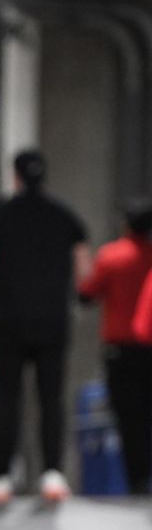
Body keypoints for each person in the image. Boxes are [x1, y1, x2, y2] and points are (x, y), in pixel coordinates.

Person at [0, 150, 90, 504]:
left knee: (8, 399)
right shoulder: (67, 218)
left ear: (15, 175)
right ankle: (52, 475)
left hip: (9, 320)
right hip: (52, 320)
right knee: (51, 398)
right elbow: (85, 274)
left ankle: (3, 477)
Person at [79, 198, 152, 494]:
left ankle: (138, 480)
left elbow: (86, 293)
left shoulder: (112, 256)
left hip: (122, 350)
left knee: (129, 417)